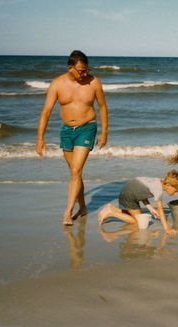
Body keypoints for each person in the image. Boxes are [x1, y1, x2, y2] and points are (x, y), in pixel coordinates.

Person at [36, 50, 108, 225]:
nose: (85, 74)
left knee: (75, 171)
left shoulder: (94, 82)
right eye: (81, 70)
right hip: (66, 131)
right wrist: (40, 138)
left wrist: (104, 132)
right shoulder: (57, 84)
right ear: (70, 68)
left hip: (87, 128)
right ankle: (82, 207)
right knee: (75, 173)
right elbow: (46, 112)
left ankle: (67, 212)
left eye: (86, 70)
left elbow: (103, 107)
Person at [97, 170, 178, 236]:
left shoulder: (157, 181)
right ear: (169, 185)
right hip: (129, 196)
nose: (176, 193)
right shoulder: (158, 190)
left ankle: (112, 209)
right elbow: (160, 210)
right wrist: (167, 229)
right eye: (176, 190)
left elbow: (142, 192)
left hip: (129, 191)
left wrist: (150, 208)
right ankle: (111, 212)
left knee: (138, 216)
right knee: (137, 222)